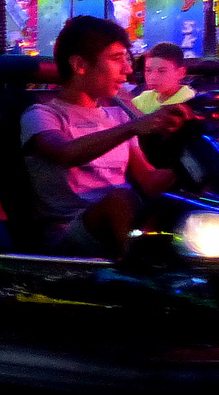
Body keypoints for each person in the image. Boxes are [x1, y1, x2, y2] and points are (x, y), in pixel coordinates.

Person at [20, 16, 184, 257]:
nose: (128, 70)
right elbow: (65, 153)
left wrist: (193, 164)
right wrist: (133, 127)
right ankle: (141, 276)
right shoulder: (42, 116)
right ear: (79, 65)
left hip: (125, 218)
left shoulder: (118, 115)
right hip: (68, 235)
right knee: (120, 200)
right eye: (117, 60)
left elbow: (149, 180)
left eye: (127, 60)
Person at [130, 42, 196, 114]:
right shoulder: (143, 99)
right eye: (148, 70)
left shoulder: (190, 101)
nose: (153, 77)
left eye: (161, 71)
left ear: (181, 73)